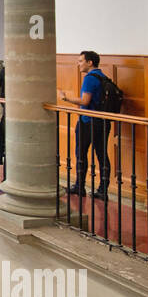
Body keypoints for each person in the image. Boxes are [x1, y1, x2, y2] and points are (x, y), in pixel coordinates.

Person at [60, 50, 112, 200]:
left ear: (90, 62)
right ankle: (103, 189)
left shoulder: (89, 78)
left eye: (80, 61)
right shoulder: (102, 76)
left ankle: (79, 186)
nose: (78, 64)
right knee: (102, 155)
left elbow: (85, 101)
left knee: (81, 153)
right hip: (102, 121)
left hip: (88, 121)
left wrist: (66, 98)